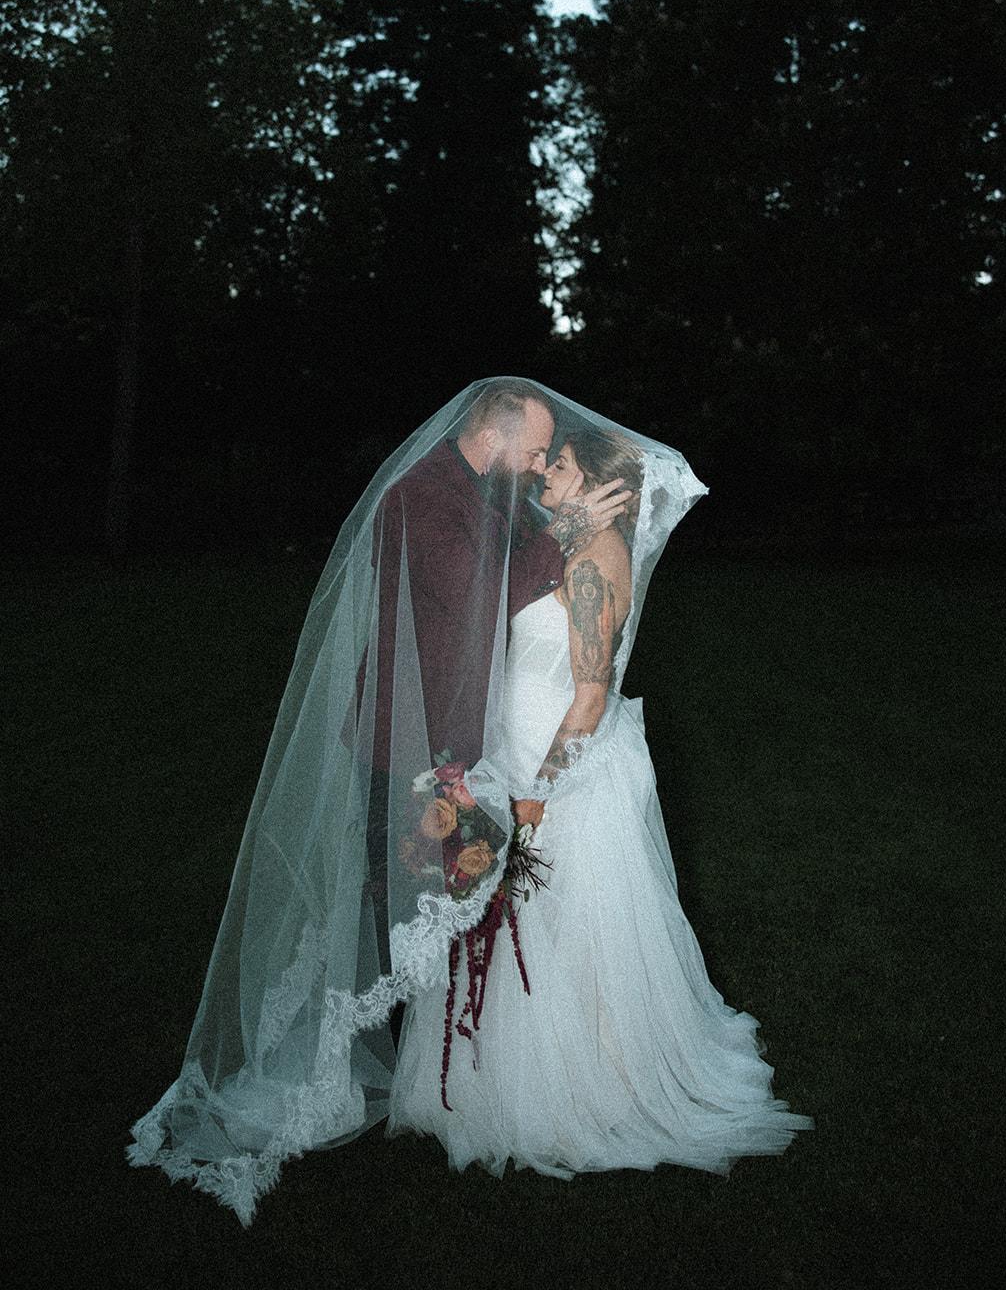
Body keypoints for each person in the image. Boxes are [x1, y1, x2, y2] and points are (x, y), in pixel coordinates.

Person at [125, 380, 634, 1225]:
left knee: (440, 906)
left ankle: (451, 1065)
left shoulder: (488, 491)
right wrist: (566, 532)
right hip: (406, 747)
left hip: (456, 745)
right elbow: (479, 590)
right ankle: (330, 1070)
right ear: (496, 437)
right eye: (536, 449)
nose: (542, 463)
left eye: (551, 456)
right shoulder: (419, 496)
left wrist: (565, 530)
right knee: (392, 913)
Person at [386, 420, 814, 1177]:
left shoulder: (592, 562)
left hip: (561, 774)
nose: (544, 471)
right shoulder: (566, 545)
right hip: (522, 754)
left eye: (558, 463)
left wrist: (535, 797)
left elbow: (587, 698)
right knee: (518, 924)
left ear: (596, 482)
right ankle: (502, 1072)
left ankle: (585, 1085)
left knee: (567, 929)